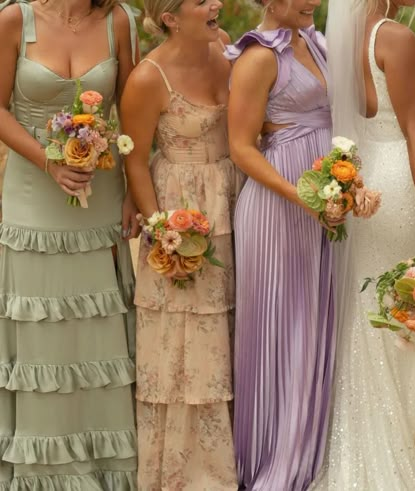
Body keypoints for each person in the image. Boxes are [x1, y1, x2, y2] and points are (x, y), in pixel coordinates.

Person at [310, 0, 415, 489]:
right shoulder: (394, 36)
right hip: (398, 185)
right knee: (404, 316)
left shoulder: (347, 34)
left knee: (368, 315)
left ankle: (363, 445)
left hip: (365, 180)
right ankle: (399, 454)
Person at [0, 0, 139, 487]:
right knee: (43, 326)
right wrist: (49, 162)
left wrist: (134, 196)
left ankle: (108, 468)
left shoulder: (120, 19)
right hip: (31, 194)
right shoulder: (14, 19)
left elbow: (133, 110)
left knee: (99, 327)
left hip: (102, 193)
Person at [120, 0, 242, 487]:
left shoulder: (229, 51)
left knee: (229, 331)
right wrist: (165, 236)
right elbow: (135, 161)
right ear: (170, 16)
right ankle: (187, 475)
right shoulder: (149, 78)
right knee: (185, 342)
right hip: (179, 209)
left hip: (233, 203)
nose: (215, 4)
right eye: (200, 0)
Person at [225, 0, 338, 488]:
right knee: (278, 326)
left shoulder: (314, 40)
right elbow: (241, 147)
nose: (311, 2)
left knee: (313, 322)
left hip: (322, 201)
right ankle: (271, 455)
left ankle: (310, 447)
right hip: (278, 206)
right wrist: (302, 197)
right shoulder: (258, 57)